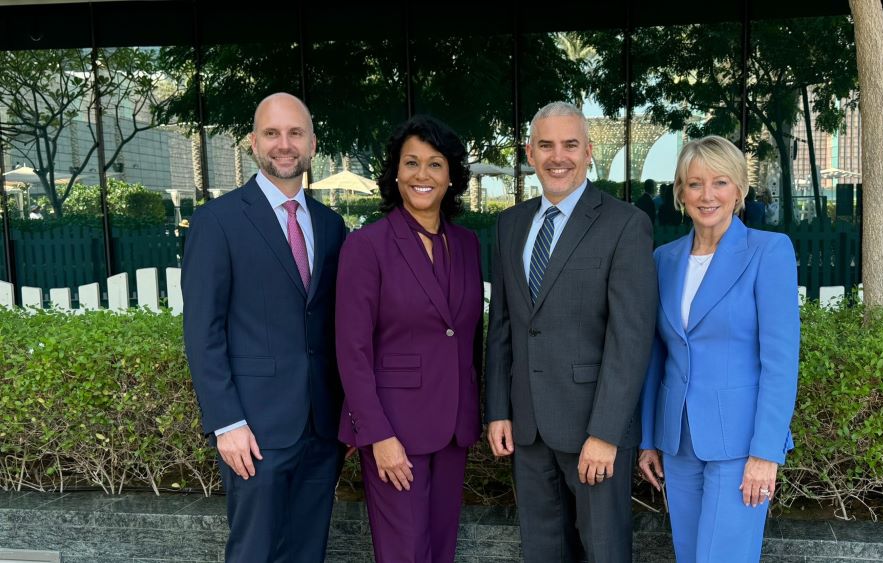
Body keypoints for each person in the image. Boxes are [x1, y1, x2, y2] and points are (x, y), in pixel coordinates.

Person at [485, 101, 657, 563]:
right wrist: (499, 409)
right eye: (546, 145)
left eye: (570, 145)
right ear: (529, 152)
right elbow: (502, 324)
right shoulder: (510, 224)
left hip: (592, 433)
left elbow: (631, 339)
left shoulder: (625, 224)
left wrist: (605, 433)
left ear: (589, 152)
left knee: (603, 552)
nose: (557, 156)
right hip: (528, 429)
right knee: (542, 552)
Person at [181, 92, 348, 563]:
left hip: (321, 429)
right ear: (253, 142)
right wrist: (226, 423)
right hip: (252, 432)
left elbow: (337, 327)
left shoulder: (332, 225)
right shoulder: (217, 222)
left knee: (307, 550)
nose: (284, 144)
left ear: (312, 143)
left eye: (295, 133)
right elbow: (202, 330)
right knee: (254, 552)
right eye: (272, 133)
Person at [637, 135, 799, 562]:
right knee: (690, 555)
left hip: (742, 445)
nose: (707, 195)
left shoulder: (769, 251)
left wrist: (766, 452)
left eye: (720, 182)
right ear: (680, 193)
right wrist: (649, 438)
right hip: (678, 440)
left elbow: (780, 362)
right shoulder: (663, 260)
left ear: (740, 190)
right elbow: (657, 356)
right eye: (694, 184)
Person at [336, 115, 483, 563]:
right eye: (412, 162)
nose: (423, 175)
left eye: (436, 164)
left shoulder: (468, 244)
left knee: (441, 549)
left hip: (454, 426)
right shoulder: (367, 246)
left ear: (452, 176)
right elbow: (352, 350)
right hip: (394, 431)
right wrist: (377, 434)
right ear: (395, 172)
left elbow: (467, 336)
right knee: (403, 553)